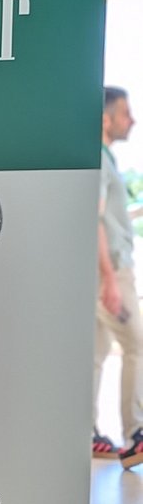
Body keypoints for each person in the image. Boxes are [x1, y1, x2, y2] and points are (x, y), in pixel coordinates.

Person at [94, 86, 143, 468]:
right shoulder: (98, 158)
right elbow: (93, 218)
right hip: (109, 272)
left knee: (95, 355)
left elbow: (108, 217)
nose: (133, 121)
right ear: (106, 118)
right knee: (137, 346)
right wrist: (110, 280)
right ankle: (137, 434)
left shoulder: (106, 159)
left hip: (103, 272)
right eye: (126, 113)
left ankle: (89, 432)